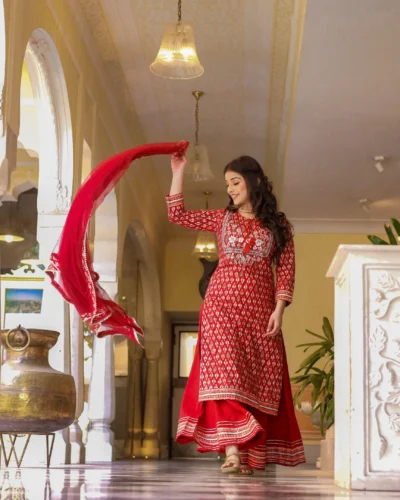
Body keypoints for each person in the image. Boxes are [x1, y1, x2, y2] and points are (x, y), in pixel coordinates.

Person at [166, 153, 306, 475]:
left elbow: (286, 270)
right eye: (227, 183)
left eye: (235, 181)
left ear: (252, 181)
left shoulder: (278, 225)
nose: (229, 189)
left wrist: (279, 310)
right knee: (225, 376)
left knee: (255, 378)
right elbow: (177, 214)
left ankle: (249, 453)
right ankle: (232, 454)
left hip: (259, 310)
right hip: (220, 305)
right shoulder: (221, 218)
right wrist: (179, 171)